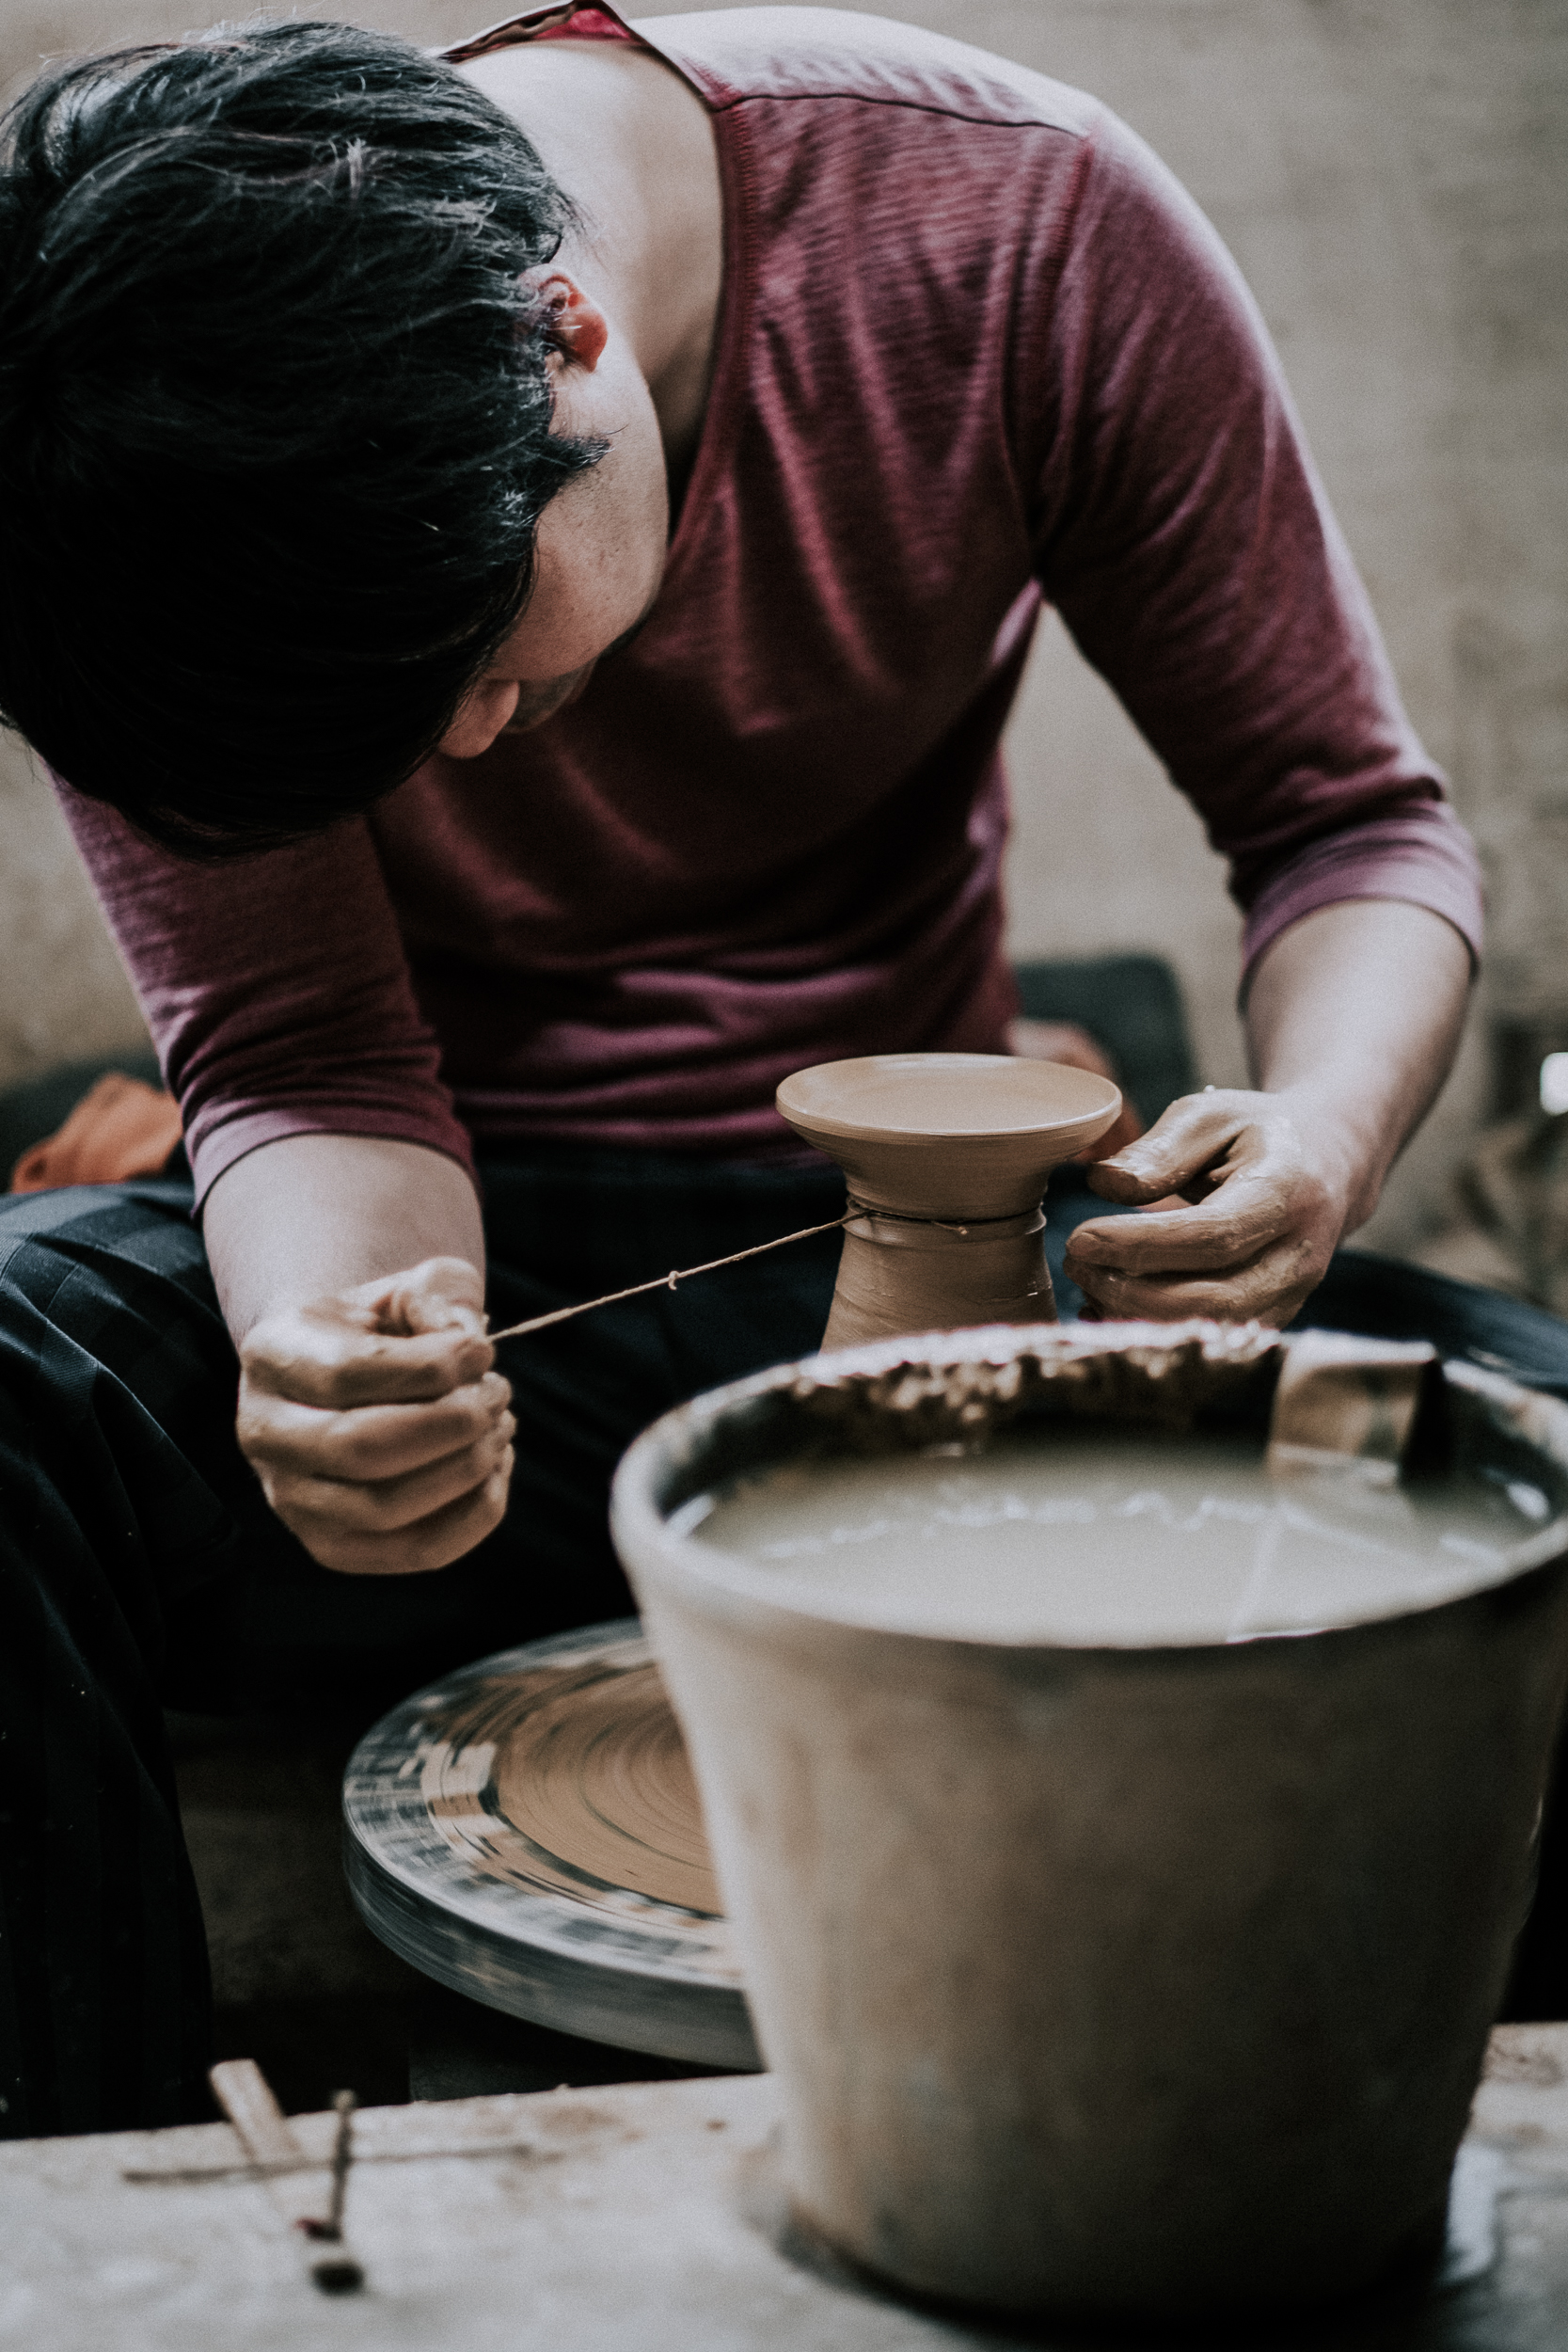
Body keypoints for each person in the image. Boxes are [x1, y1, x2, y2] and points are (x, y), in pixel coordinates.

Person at [0, 3, 1482, 2136]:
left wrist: (1319, 1142)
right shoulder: (130, 507)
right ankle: (90, 2225)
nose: (462, 761)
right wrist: (331, 1352)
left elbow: (1349, 822)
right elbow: (305, 1042)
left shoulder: (1021, 223)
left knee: (1510, 1458)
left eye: (464, 673)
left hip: (930, 1262)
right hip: (490, 1262)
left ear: (566, 331)